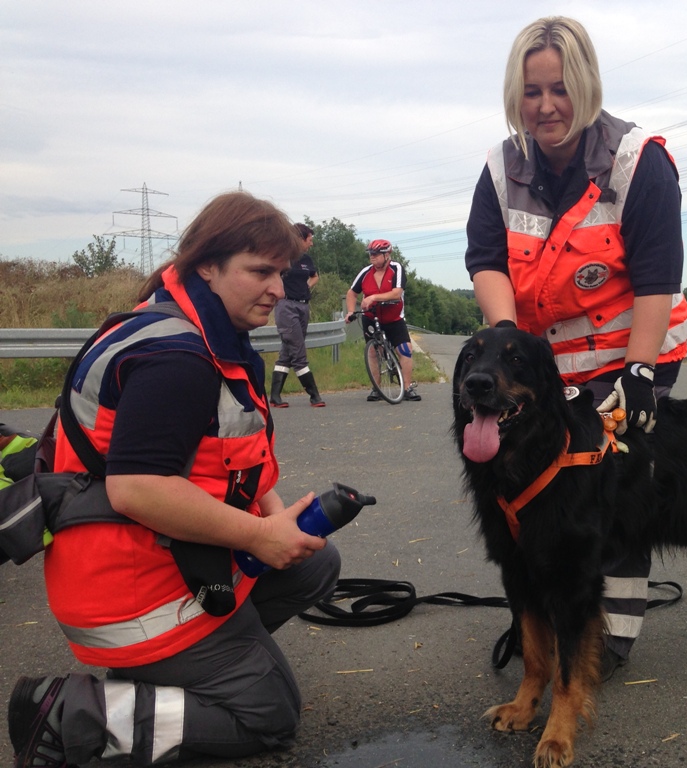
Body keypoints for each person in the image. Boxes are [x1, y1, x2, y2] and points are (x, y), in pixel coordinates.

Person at [6, 191, 342, 768]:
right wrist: (260, 538)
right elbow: (137, 488)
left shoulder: (196, 329)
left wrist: (277, 522)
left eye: (282, 273)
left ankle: (187, 669)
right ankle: (69, 714)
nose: (277, 289)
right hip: (131, 592)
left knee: (314, 562)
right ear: (206, 266)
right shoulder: (178, 357)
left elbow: (232, 455)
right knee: (269, 716)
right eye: (260, 272)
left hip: (160, 558)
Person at [464, 16, 687, 680]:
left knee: (608, 483)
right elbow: (486, 259)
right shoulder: (501, 168)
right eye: (531, 92)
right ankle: (549, 610)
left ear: (586, 86)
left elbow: (656, 276)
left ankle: (609, 633)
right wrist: (507, 347)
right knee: (540, 486)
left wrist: (639, 372)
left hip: (633, 350)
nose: (545, 106)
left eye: (559, 89)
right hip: (543, 361)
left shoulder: (637, 162)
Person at [345, 239, 420, 402]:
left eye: (376, 254)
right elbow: (351, 293)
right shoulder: (365, 272)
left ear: (387, 255)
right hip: (371, 317)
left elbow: (396, 293)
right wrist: (350, 311)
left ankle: (407, 387)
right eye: (370, 254)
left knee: (405, 349)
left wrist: (373, 297)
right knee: (373, 352)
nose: (372, 256)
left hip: (393, 318)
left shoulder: (396, 268)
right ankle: (377, 389)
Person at [270, 222, 324, 407]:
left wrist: (305, 286)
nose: (311, 243)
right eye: (309, 239)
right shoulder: (281, 257)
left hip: (303, 306)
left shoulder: (306, 259)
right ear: (300, 239)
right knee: (298, 351)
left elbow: (314, 276)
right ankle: (314, 396)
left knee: (286, 353)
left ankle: (275, 397)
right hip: (287, 307)